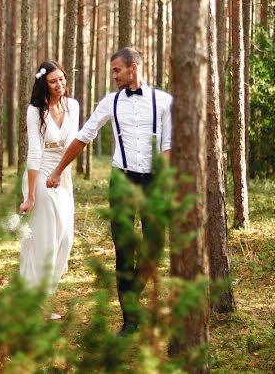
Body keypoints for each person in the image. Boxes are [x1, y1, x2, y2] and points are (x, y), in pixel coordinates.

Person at [46, 47, 172, 336]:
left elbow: (168, 147)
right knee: (124, 250)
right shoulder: (110, 102)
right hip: (122, 180)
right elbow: (83, 137)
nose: (114, 76)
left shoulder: (164, 102)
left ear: (133, 67)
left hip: (154, 181)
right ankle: (130, 321)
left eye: (117, 70)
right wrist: (57, 170)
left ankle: (134, 295)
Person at [18, 61, 79, 315]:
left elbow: (76, 143)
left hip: (62, 175)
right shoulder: (35, 111)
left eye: (62, 79)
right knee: (45, 240)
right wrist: (30, 195)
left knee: (65, 237)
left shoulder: (73, 105)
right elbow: (34, 152)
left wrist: (62, 174)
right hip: (40, 175)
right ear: (44, 83)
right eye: (53, 81)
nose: (60, 85)